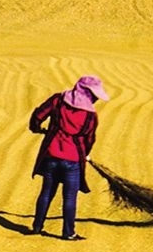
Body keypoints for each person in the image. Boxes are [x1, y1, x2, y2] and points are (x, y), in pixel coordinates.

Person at [29, 75, 107, 240]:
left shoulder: (58, 100)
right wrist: (85, 152)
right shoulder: (91, 116)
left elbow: (38, 115)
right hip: (73, 161)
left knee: (47, 192)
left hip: (51, 155)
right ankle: (68, 233)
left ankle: (37, 226)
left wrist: (37, 128)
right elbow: (89, 138)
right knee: (69, 197)